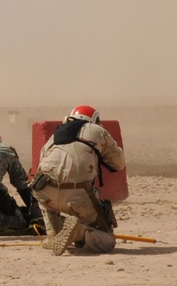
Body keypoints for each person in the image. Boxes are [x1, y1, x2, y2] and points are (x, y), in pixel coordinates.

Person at [33, 105, 125, 255]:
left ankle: (53, 234)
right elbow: (118, 163)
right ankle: (79, 233)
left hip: (44, 192)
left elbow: (39, 170)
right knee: (108, 240)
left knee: (42, 192)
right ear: (94, 120)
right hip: (78, 194)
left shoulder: (53, 138)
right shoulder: (97, 131)